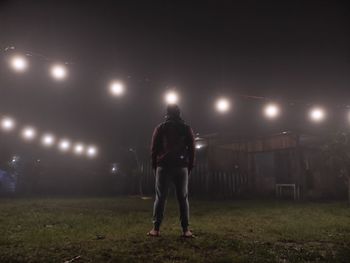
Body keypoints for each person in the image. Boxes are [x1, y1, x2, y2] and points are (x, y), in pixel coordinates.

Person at [148, 104, 195, 238]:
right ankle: (186, 230)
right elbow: (192, 150)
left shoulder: (160, 128)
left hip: (163, 166)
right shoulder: (186, 128)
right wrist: (189, 166)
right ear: (179, 113)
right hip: (181, 167)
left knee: (160, 198)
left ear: (167, 113)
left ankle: (156, 229)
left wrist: (155, 166)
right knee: (183, 198)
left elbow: (154, 150)